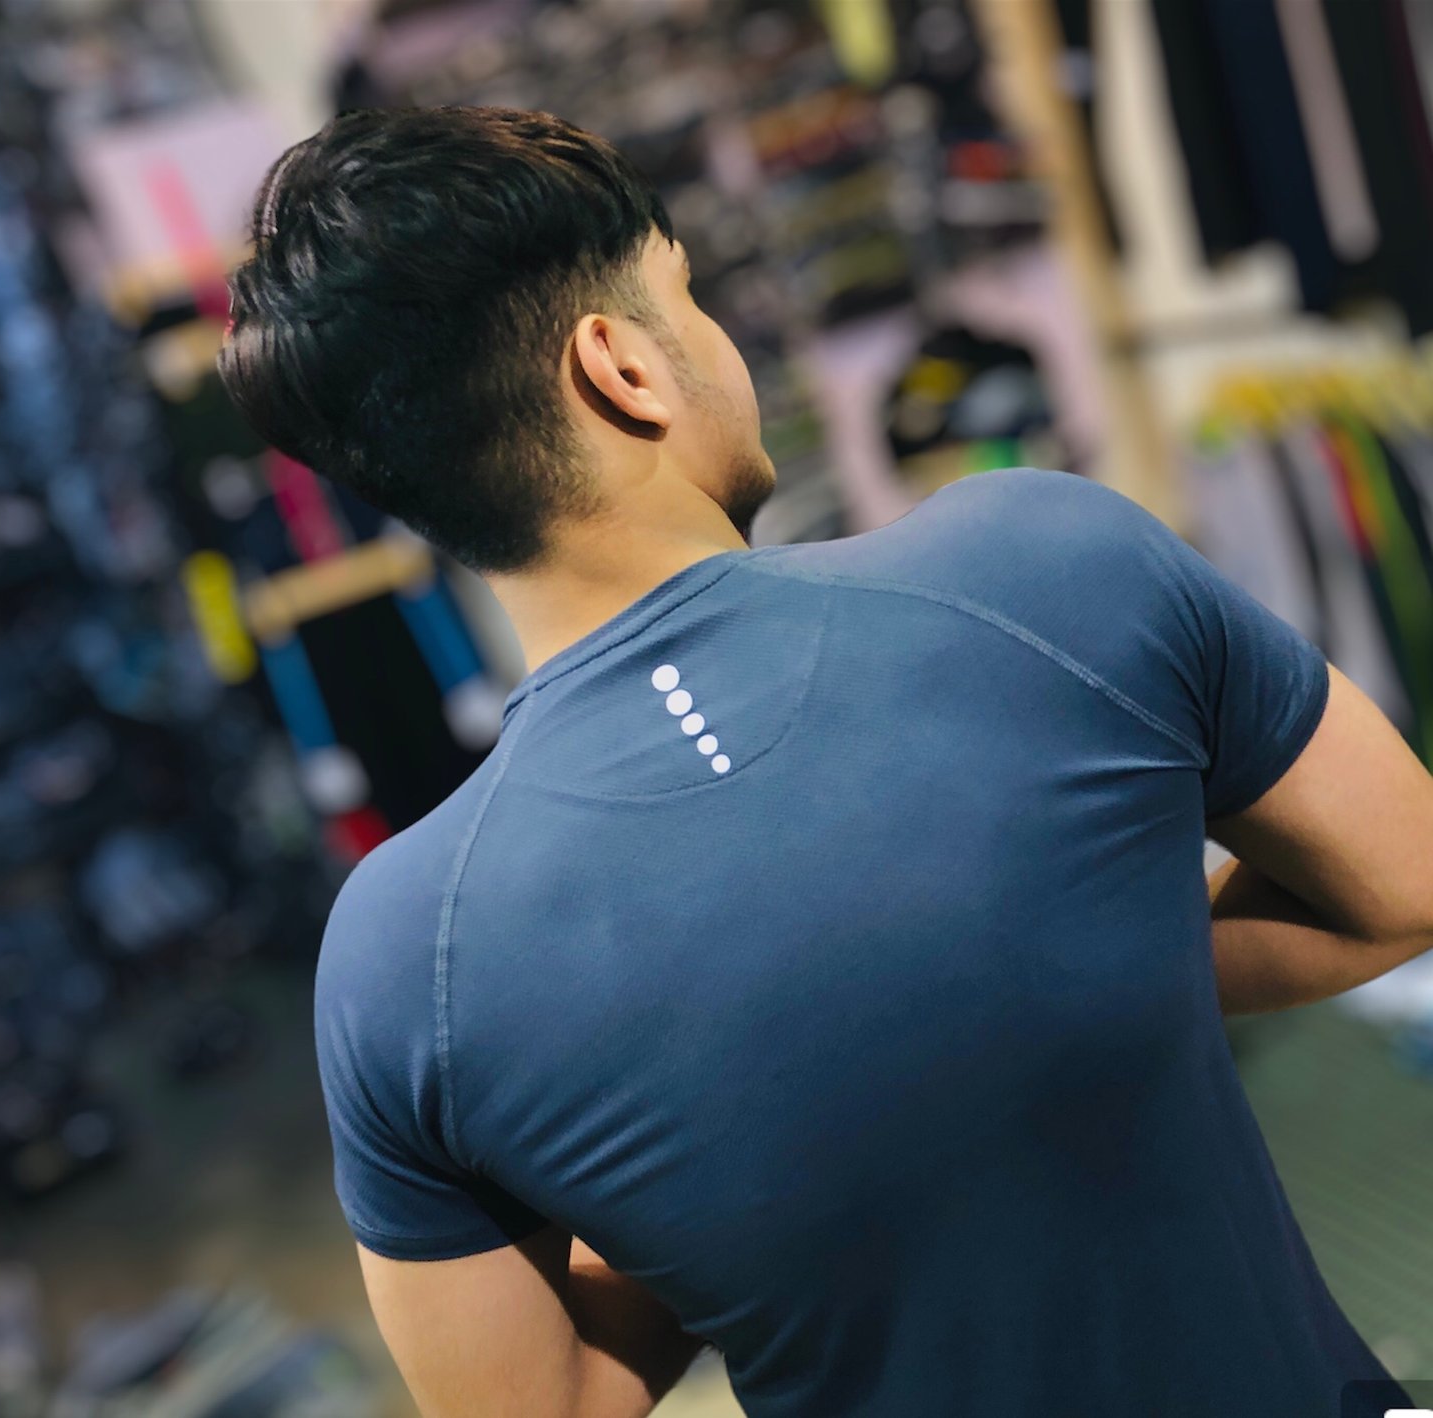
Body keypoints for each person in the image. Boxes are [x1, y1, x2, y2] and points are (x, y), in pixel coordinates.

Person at [218, 106, 1431, 1418]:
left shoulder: (401, 957)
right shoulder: (1048, 563)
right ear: (622, 365)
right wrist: (1053, 987)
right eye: (690, 295)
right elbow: (1400, 877)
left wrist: (735, 1179)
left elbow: (540, 1406)